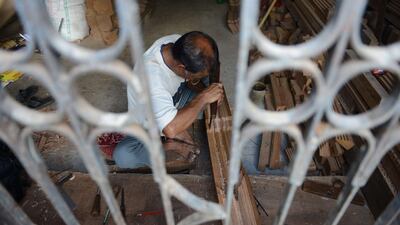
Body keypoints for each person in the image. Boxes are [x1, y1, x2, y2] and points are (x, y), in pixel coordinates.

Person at [113, 31, 224, 169]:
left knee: (207, 77)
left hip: (172, 99)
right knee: (124, 156)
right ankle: (170, 144)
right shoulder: (152, 80)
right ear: (181, 68)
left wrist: (208, 90)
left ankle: (176, 118)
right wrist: (204, 97)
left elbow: (191, 78)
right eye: (194, 77)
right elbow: (170, 129)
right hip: (148, 123)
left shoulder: (178, 44)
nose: (195, 79)